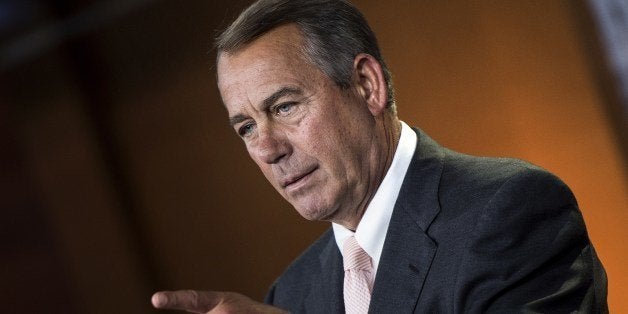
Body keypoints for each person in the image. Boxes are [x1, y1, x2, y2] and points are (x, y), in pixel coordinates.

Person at [151, 0, 608, 313]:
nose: (268, 149)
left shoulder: (510, 212)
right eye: (247, 127)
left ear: (368, 86)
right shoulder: (292, 292)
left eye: (284, 107)